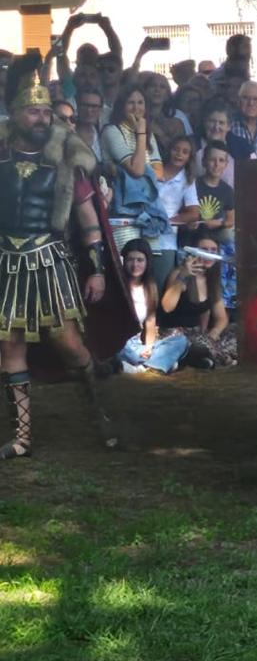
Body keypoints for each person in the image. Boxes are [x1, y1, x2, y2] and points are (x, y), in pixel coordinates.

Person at [0, 51, 130, 457]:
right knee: (10, 345)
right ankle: (22, 436)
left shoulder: (65, 161)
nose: (42, 119)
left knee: (70, 346)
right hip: (6, 262)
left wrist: (96, 271)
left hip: (50, 261)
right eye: (34, 112)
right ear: (17, 114)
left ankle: (97, 412)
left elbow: (90, 222)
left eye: (45, 112)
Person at [100, 84, 171, 251]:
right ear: (121, 106)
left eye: (140, 102)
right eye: (131, 103)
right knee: (127, 264)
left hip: (149, 213)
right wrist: (140, 134)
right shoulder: (112, 131)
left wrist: (135, 169)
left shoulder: (148, 133)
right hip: (124, 213)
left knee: (148, 267)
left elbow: (159, 172)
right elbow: (137, 170)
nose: (136, 108)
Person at [158, 233, 234, 368]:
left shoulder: (211, 277)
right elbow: (167, 307)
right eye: (204, 250)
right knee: (198, 345)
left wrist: (214, 333)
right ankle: (206, 358)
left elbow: (221, 318)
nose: (209, 254)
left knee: (236, 333)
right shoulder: (179, 273)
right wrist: (182, 277)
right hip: (175, 334)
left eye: (213, 250)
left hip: (199, 334)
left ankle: (205, 358)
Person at [114, 239, 188, 374]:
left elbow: (150, 322)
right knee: (118, 351)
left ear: (147, 262)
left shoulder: (149, 287)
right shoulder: (117, 287)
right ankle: (158, 365)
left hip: (138, 345)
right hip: (122, 343)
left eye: (140, 260)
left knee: (181, 341)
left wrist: (149, 347)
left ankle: (139, 368)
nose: (135, 264)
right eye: (130, 259)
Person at [150, 135, 201, 277]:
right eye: (176, 149)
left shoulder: (187, 180)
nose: (179, 154)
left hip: (166, 240)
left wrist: (167, 222)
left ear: (189, 157)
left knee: (160, 282)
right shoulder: (154, 170)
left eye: (185, 152)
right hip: (142, 231)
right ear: (169, 151)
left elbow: (193, 213)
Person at [194, 104, 251, 185]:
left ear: (228, 127)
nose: (216, 127)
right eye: (212, 121)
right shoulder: (192, 145)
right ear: (205, 123)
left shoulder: (242, 147)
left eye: (221, 123)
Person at [195, 141, 236, 245]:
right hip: (194, 235)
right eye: (212, 160)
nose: (217, 164)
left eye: (221, 160)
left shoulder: (227, 191)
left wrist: (220, 223)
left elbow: (230, 220)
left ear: (226, 164)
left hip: (216, 236)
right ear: (204, 162)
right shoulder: (193, 185)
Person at [141, 72, 186, 153]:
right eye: (153, 86)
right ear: (145, 90)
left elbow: (179, 152)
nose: (157, 90)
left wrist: (160, 134)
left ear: (168, 94)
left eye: (162, 87)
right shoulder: (134, 119)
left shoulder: (176, 125)